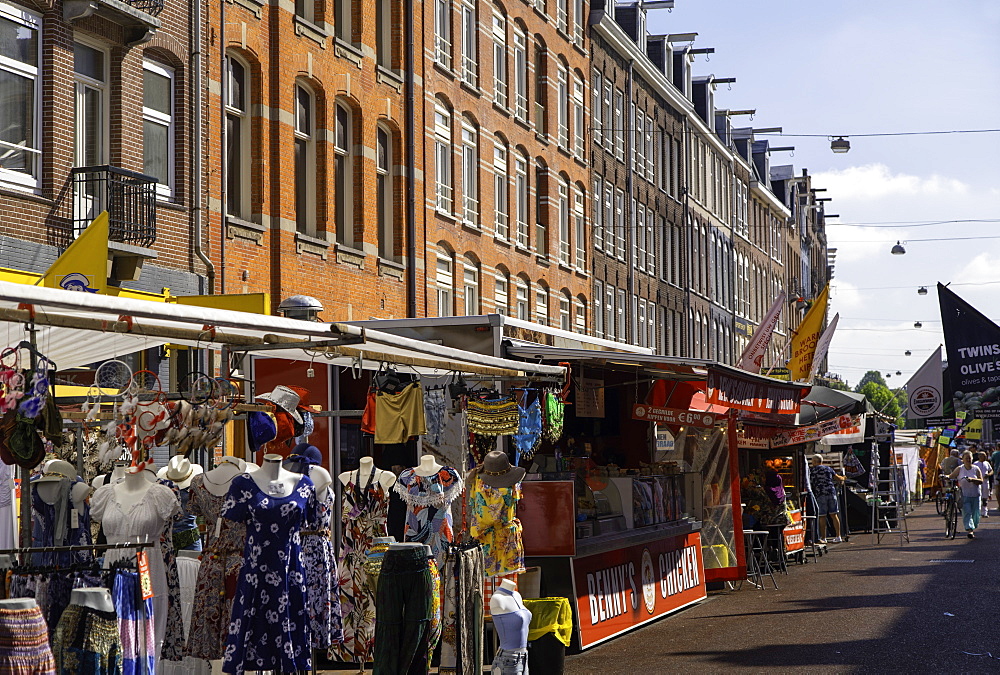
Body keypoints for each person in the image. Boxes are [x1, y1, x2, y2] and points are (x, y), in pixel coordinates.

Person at [808, 454, 845, 543]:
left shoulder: (812, 470)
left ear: (814, 462)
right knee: (834, 515)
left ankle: (823, 537)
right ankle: (838, 536)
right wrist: (843, 478)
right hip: (831, 492)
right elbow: (838, 478)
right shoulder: (828, 469)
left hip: (820, 494)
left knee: (822, 516)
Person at [949, 450, 984, 539]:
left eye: (970, 458)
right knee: (967, 513)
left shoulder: (976, 469)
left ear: (972, 459)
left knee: (976, 514)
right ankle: (970, 530)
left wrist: (972, 479)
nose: (968, 460)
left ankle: (973, 526)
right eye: (966, 458)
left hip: (976, 495)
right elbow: (951, 476)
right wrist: (945, 476)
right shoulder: (960, 469)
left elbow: (981, 480)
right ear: (963, 460)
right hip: (964, 495)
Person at [974, 451, 993, 517]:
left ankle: (984, 512)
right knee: (978, 497)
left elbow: (991, 470)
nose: (985, 457)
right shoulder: (975, 464)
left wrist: (988, 474)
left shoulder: (987, 463)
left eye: (985, 456)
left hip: (985, 483)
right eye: (983, 456)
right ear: (979, 456)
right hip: (978, 483)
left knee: (985, 497)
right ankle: (978, 512)